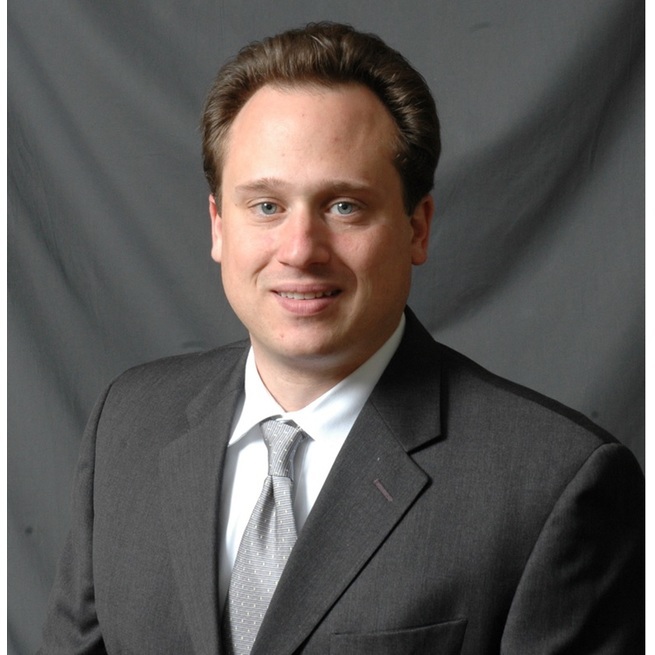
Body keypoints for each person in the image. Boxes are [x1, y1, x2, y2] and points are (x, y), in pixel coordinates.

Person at [39, 21, 644, 655]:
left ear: (417, 227)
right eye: (266, 206)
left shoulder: (552, 484)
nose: (301, 250)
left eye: (344, 206)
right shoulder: (128, 426)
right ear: (218, 225)